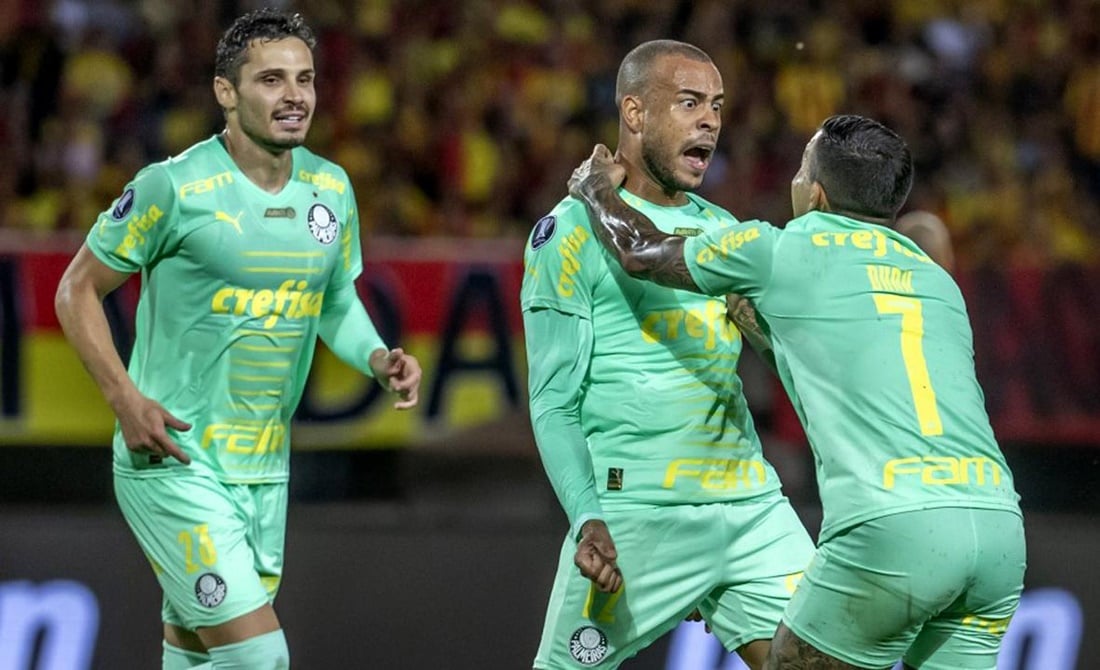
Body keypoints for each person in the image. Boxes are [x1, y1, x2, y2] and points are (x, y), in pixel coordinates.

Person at [567, 114, 1025, 669]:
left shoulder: (779, 248)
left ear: (814, 191)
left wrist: (594, 190)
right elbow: (846, 377)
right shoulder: (938, 282)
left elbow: (640, 252)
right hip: (998, 528)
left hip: (892, 527)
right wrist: (761, 332)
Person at [53, 9, 421, 669]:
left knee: (198, 657)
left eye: (304, 80)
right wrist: (124, 399)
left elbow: (333, 299)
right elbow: (76, 289)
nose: (294, 96)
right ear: (227, 92)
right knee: (259, 657)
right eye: (272, 80)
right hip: (175, 465)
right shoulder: (174, 187)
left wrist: (376, 357)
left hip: (263, 472)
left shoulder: (330, 189)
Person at [521, 39, 814, 670]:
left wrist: (761, 330)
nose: (710, 119)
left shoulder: (722, 229)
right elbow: (551, 402)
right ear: (634, 114)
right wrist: (586, 516)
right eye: (688, 102)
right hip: (637, 514)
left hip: (749, 507)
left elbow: (782, 359)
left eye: (717, 105)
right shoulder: (567, 234)